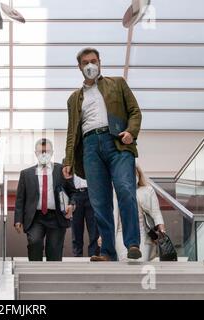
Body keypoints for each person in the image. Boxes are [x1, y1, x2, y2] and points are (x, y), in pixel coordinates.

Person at [62, 47, 142, 261]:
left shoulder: (117, 83)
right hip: (89, 147)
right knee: (99, 201)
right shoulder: (74, 98)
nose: (90, 65)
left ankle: (132, 243)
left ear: (100, 63)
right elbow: (72, 131)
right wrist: (68, 160)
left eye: (94, 61)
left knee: (125, 189)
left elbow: (135, 111)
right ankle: (107, 251)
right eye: (86, 62)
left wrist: (131, 132)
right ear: (79, 66)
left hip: (117, 143)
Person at [15, 138, 76, 261]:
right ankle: (34, 274)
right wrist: (18, 219)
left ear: (52, 152)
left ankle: (53, 278)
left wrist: (72, 205)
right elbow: (20, 198)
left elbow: (73, 192)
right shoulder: (26, 174)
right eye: (41, 151)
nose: (44, 154)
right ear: (35, 153)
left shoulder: (61, 170)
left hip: (57, 216)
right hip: (35, 217)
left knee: (54, 249)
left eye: (47, 151)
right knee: (34, 243)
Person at [114, 165, 166, 261]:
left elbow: (156, 212)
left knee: (141, 262)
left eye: (133, 174)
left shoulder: (148, 190)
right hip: (121, 233)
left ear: (138, 174)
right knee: (125, 262)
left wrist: (161, 230)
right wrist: (103, 236)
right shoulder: (115, 192)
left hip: (143, 232)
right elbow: (111, 216)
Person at [70, 174, 100, 257]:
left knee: (94, 228)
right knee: (76, 228)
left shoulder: (91, 160)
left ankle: (94, 255)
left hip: (91, 193)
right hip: (75, 194)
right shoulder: (69, 161)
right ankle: (77, 255)